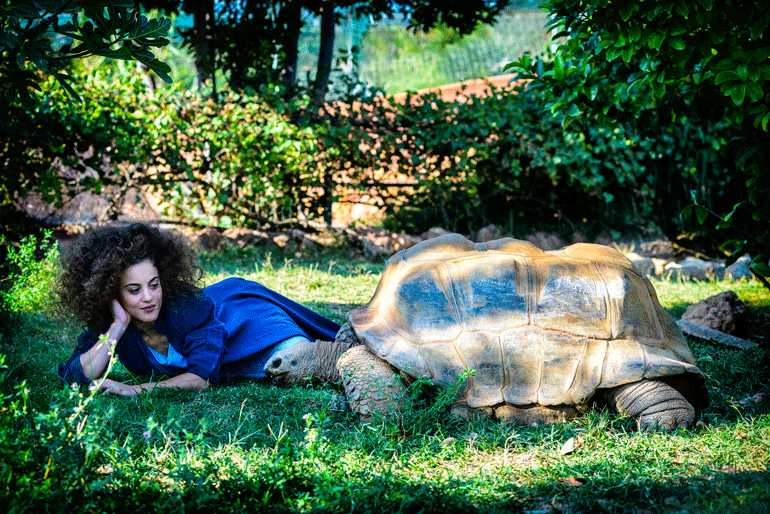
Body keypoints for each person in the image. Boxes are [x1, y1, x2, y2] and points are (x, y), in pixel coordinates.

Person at [56, 222, 340, 396]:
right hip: (229, 359)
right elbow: (76, 375)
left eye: (154, 285)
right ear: (110, 294)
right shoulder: (112, 325)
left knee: (306, 366)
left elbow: (201, 380)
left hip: (251, 324)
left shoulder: (185, 306)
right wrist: (117, 327)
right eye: (134, 290)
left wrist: (134, 390)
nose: (148, 297)